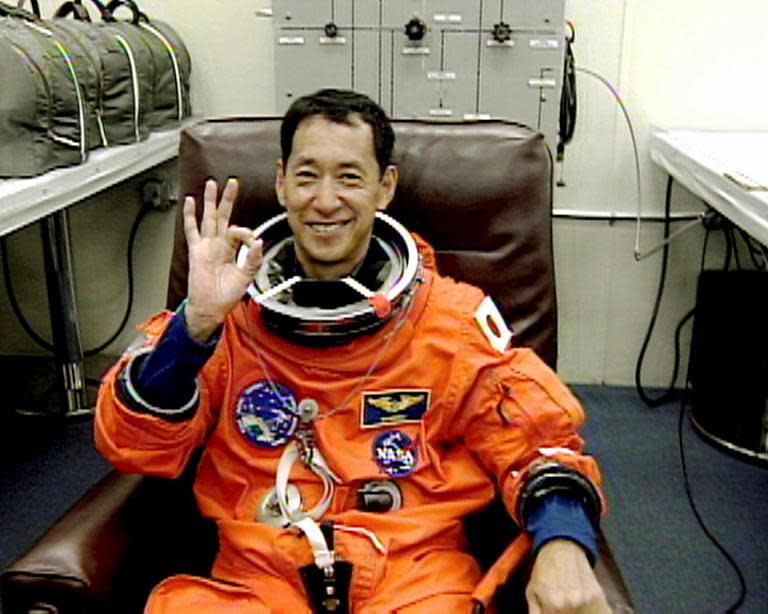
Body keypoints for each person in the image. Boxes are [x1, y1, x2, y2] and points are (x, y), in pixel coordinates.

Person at [95, 88, 610, 613]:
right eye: (306, 175)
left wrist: (564, 542)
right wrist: (195, 327)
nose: (324, 200)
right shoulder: (223, 315)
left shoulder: (450, 321)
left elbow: (539, 441)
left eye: (349, 177)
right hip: (257, 577)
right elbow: (134, 446)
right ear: (279, 182)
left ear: (385, 188)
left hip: (412, 574)